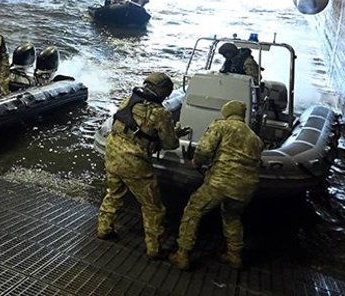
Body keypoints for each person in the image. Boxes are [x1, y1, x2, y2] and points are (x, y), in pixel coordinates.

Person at [169, 100, 263, 270]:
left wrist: (196, 162)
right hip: (246, 188)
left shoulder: (221, 126)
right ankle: (234, 256)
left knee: (194, 210)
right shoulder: (255, 137)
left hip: (221, 181)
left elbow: (205, 149)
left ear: (227, 113)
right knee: (232, 217)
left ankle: (182, 254)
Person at [96, 72, 182, 259]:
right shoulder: (159, 113)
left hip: (112, 152)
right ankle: (154, 248)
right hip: (133, 161)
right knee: (153, 207)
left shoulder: (129, 99)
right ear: (163, 92)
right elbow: (170, 144)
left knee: (114, 193)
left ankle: (104, 228)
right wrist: (175, 132)